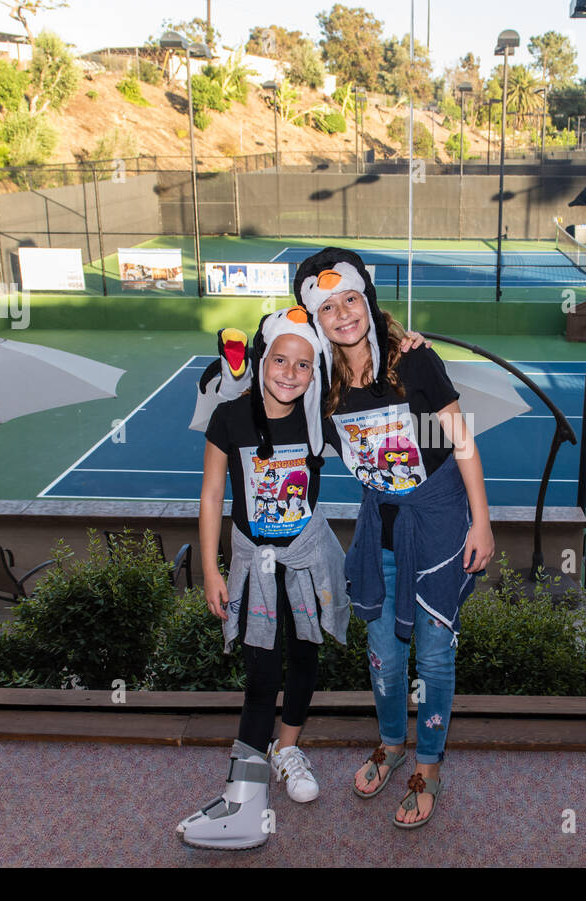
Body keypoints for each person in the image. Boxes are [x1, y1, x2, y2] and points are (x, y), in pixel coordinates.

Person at [294, 247, 495, 830]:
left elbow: (462, 442)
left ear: (367, 299)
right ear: (316, 319)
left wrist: (482, 521)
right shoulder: (323, 380)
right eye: (327, 307)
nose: (342, 314)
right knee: (383, 658)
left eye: (350, 299)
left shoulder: (415, 362)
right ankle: (391, 742)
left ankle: (428, 763)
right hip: (376, 534)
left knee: (432, 659)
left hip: (436, 529)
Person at [176, 306, 349, 850]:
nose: (290, 373)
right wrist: (210, 568)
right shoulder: (230, 417)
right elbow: (209, 495)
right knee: (261, 673)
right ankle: (244, 799)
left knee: (305, 654)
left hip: (306, 559)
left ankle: (287, 749)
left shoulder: (320, 419)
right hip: (254, 563)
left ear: (313, 371)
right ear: (262, 358)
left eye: (303, 364)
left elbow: (378, 418)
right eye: (280, 359)